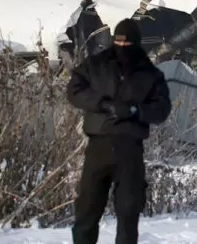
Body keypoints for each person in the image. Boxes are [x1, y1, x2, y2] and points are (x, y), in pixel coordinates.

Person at [67, 18, 172, 244]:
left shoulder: (149, 73)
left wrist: (136, 111)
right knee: (87, 210)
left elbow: (162, 110)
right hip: (98, 146)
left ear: (136, 43)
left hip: (130, 148)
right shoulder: (95, 65)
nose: (122, 48)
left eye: (127, 45)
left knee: (128, 213)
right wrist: (104, 105)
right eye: (118, 43)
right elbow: (74, 90)